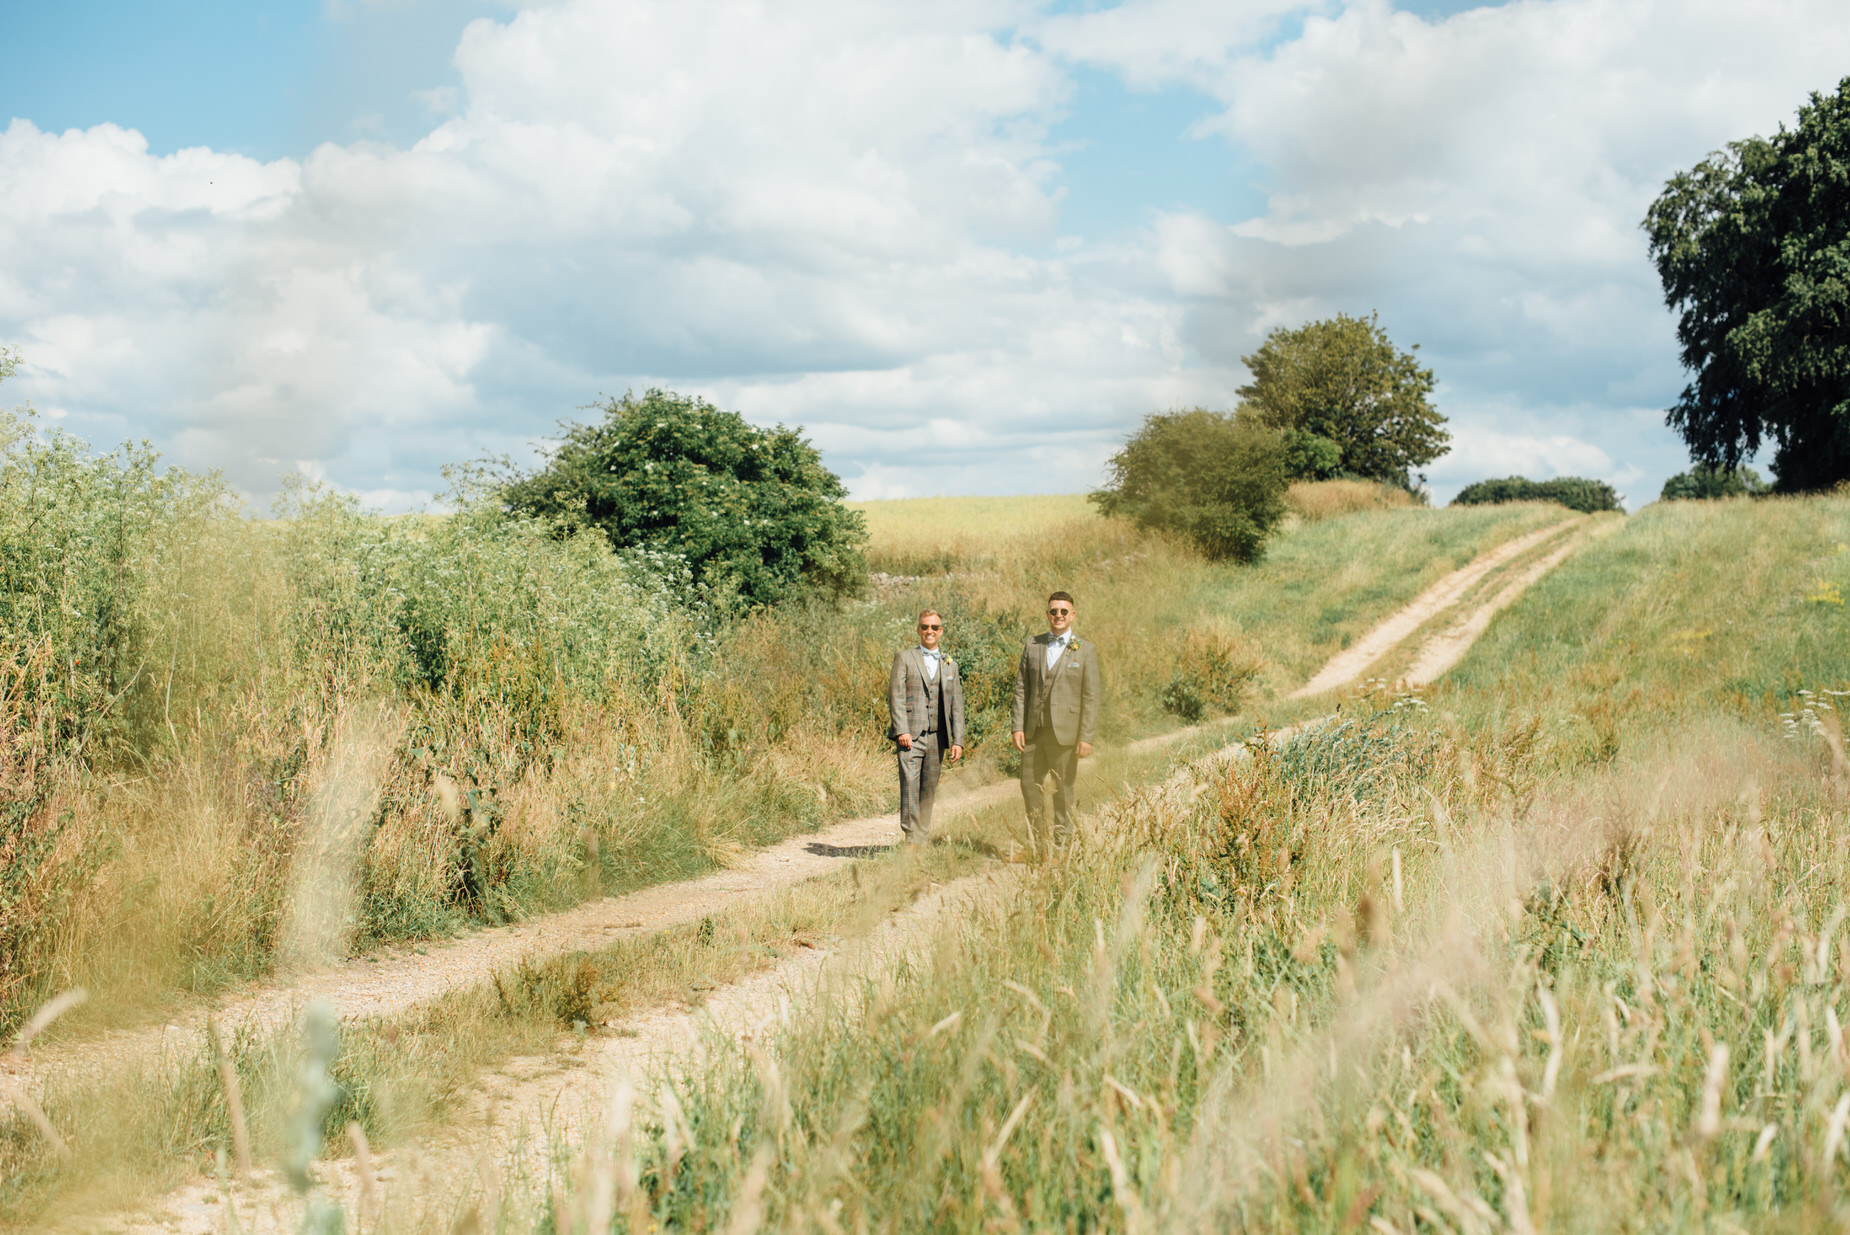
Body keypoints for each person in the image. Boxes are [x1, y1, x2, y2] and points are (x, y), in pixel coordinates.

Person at [1011, 590, 1101, 853]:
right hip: (1033, 733)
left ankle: (1063, 848)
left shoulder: (1085, 650)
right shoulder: (1033, 645)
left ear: (1072, 615)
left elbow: (1091, 697)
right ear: (1047, 614)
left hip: (1066, 735)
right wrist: (1017, 726)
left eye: (1064, 611)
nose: (1058, 615)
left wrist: (1086, 736)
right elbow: (1021, 689)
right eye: (1054, 611)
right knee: (1029, 786)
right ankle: (1038, 846)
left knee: (1062, 790)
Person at [888, 608, 966, 844]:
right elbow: (896, 695)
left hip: (938, 738)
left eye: (934, 627)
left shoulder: (949, 664)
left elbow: (957, 706)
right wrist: (902, 729)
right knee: (910, 787)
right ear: (918, 630)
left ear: (940, 631)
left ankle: (922, 835)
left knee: (929, 790)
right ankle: (911, 838)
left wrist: (958, 740)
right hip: (911, 736)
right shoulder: (905, 657)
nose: (929, 631)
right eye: (924, 627)